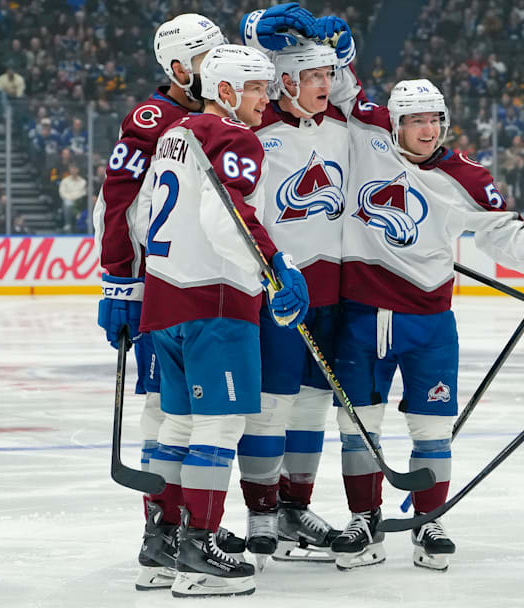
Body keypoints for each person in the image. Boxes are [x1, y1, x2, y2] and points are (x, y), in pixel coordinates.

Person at [329, 78, 524, 572]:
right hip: (361, 316)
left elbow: (498, 229)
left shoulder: (465, 174)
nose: (428, 130)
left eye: (434, 119)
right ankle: (364, 518)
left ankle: (429, 519)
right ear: (394, 125)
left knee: (433, 428)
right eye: (415, 121)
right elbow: (341, 93)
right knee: (357, 426)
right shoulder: (366, 145)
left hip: (429, 322)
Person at [137, 43, 309, 598]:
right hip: (215, 304)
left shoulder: (174, 134)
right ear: (228, 92)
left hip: (165, 301)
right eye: (258, 88)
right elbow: (227, 213)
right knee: (218, 429)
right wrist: (275, 269)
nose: (270, 97)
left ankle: (161, 540)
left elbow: (142, 216)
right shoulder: (235, 138)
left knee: (178, 426)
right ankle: (200, 547)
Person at [90, 12, 230, 592]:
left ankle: (177, 529)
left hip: (206, 286)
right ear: (178, 69)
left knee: (197, 412)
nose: (217, 69)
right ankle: (163, 531)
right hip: (160, 287)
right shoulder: (155, 118)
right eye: (205, 60)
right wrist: (120, 282)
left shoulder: (212, 116)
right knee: (168, 412)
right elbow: (118, 201)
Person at [234, 4, 355, 562]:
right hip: (278, 290)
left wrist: (340, 52)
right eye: (313, 77)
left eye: (328, 76)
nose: (325, 86)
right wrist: (260, 25)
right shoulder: (255, 129)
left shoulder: (343, 126)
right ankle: (260, 511)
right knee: (270, 405)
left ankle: (292, 508)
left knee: (311, 407)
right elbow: (238, 69)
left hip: (332, 293)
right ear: (283, 81)